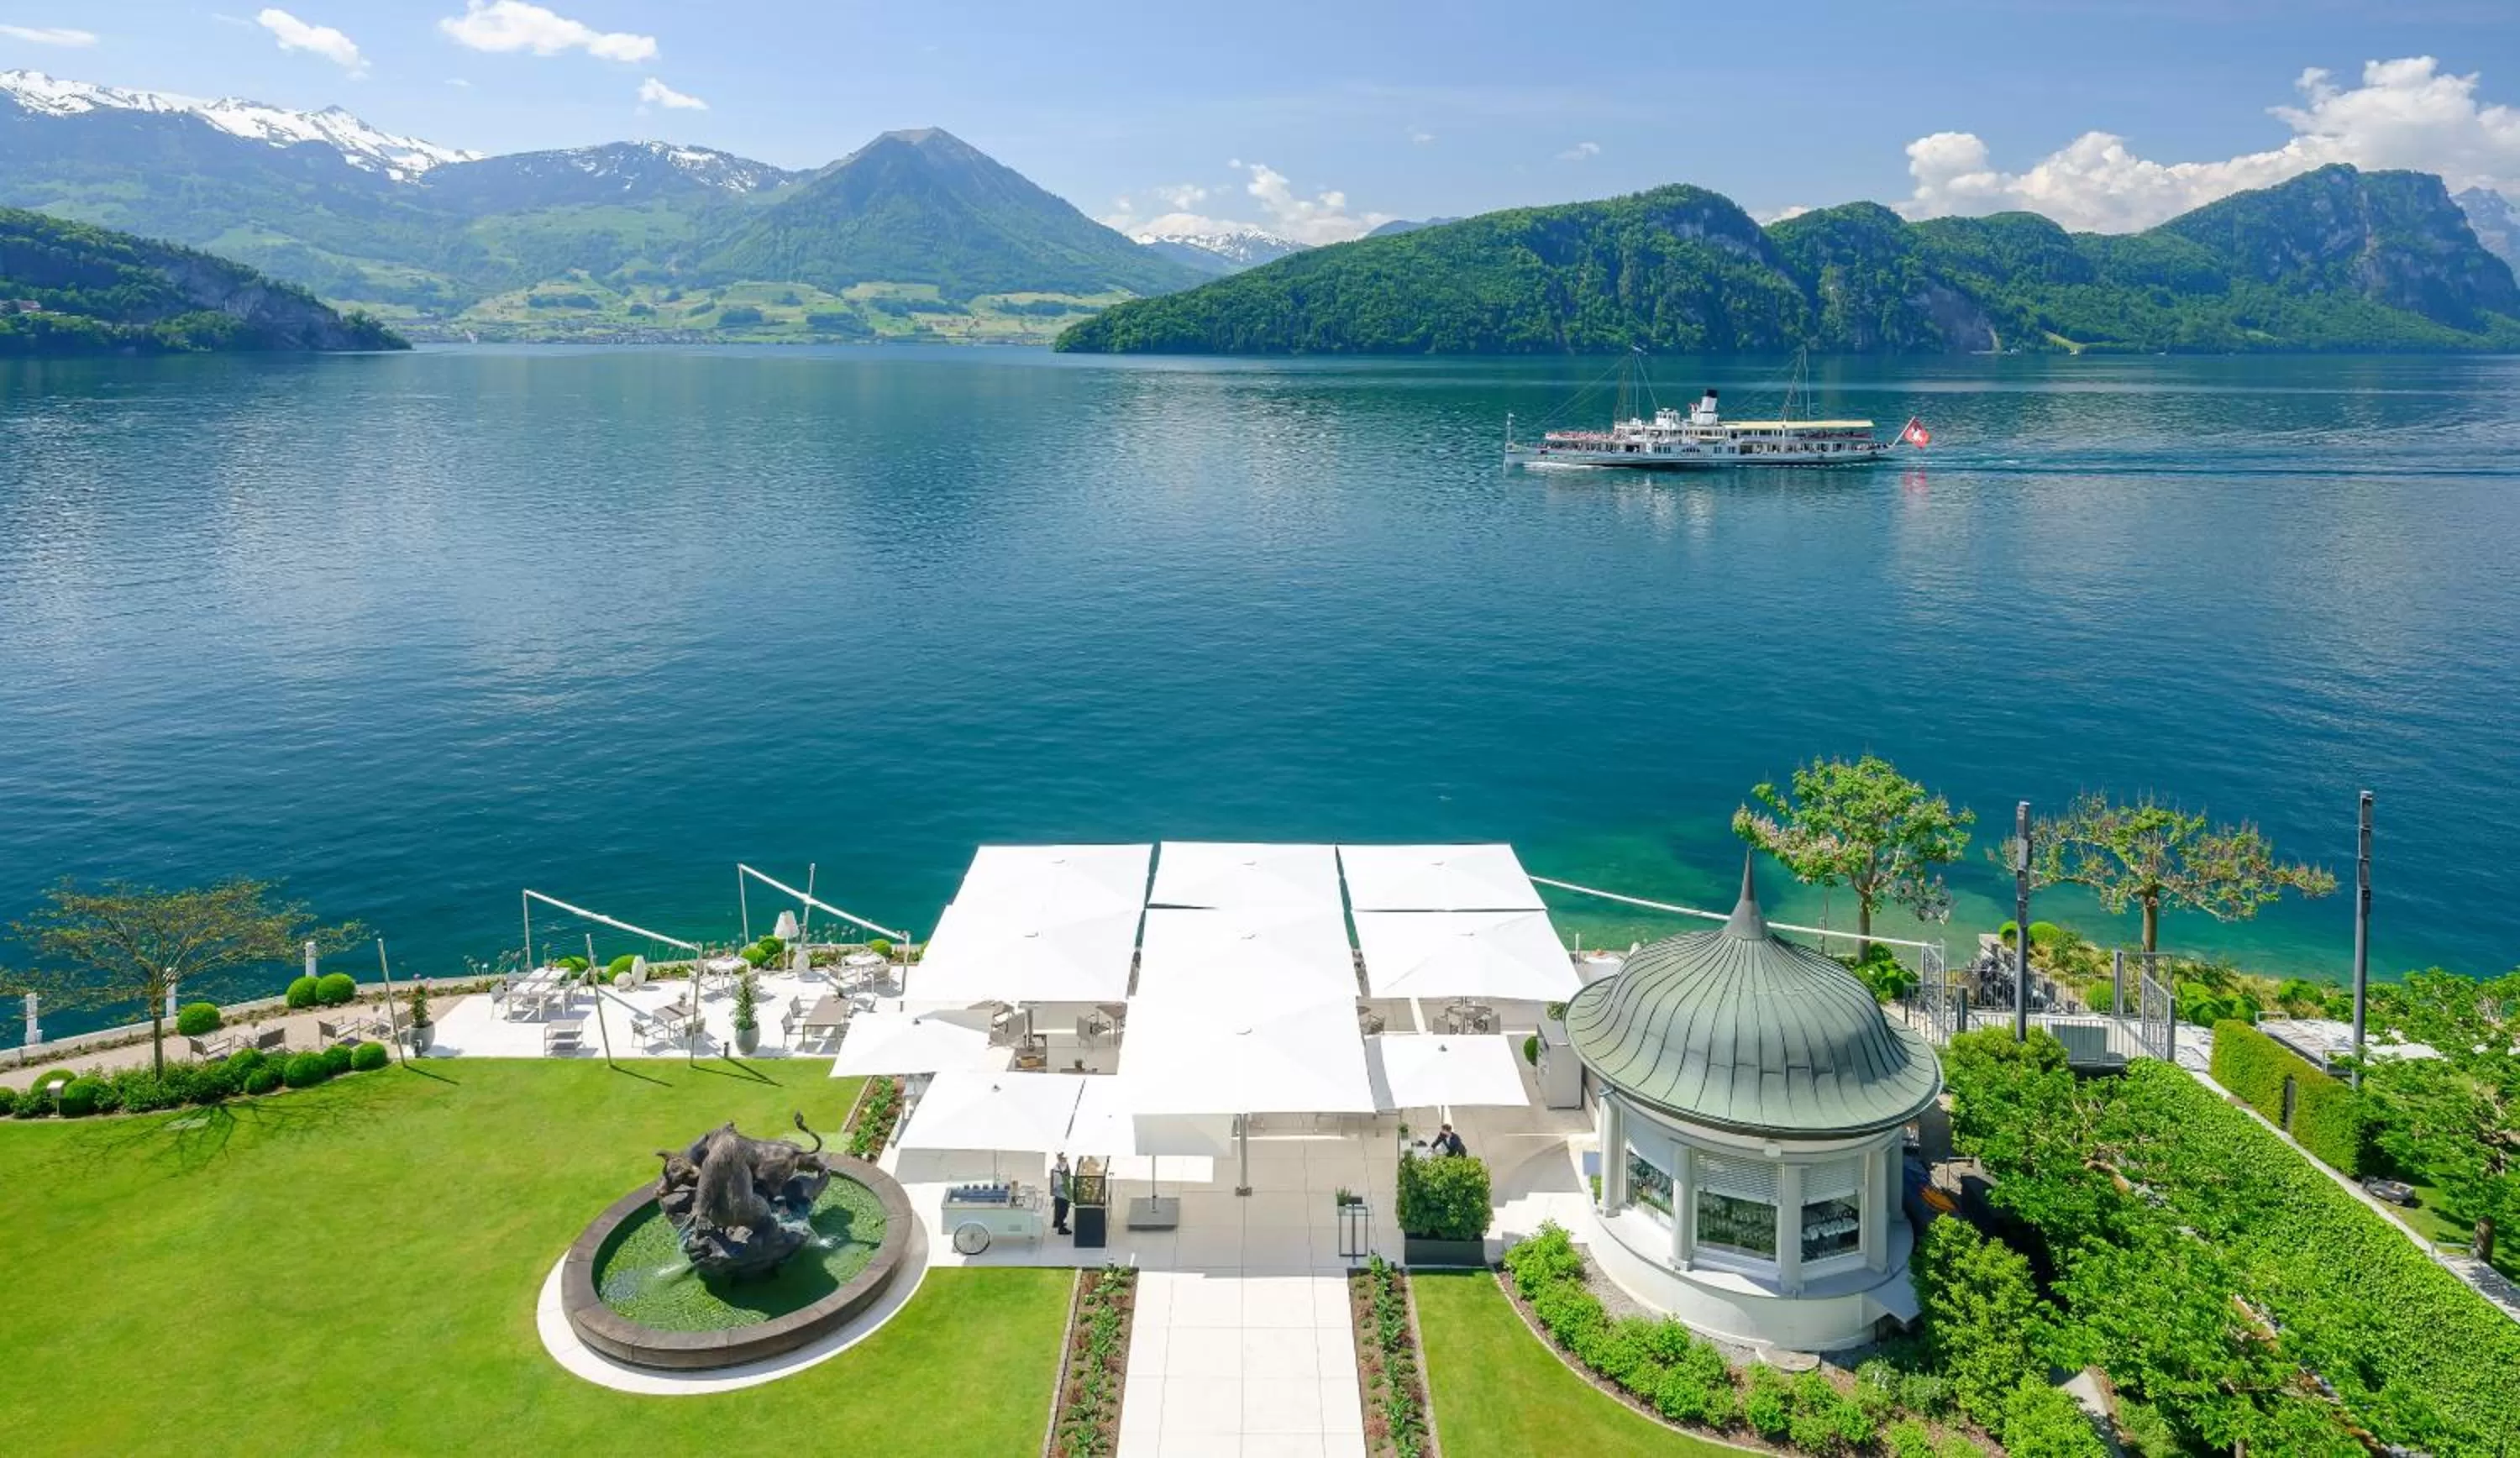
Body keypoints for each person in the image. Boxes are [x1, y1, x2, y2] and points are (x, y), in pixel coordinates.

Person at [1050, 1152, 1072, 1235]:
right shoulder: (1063, 1165)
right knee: (1063, 1208)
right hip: (1062, 1188)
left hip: (1057, 1188)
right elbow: (1066, 1176)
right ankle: (1061, 1228)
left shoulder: (1057, 1165)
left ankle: (1057, 1222)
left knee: (1058, 1206)